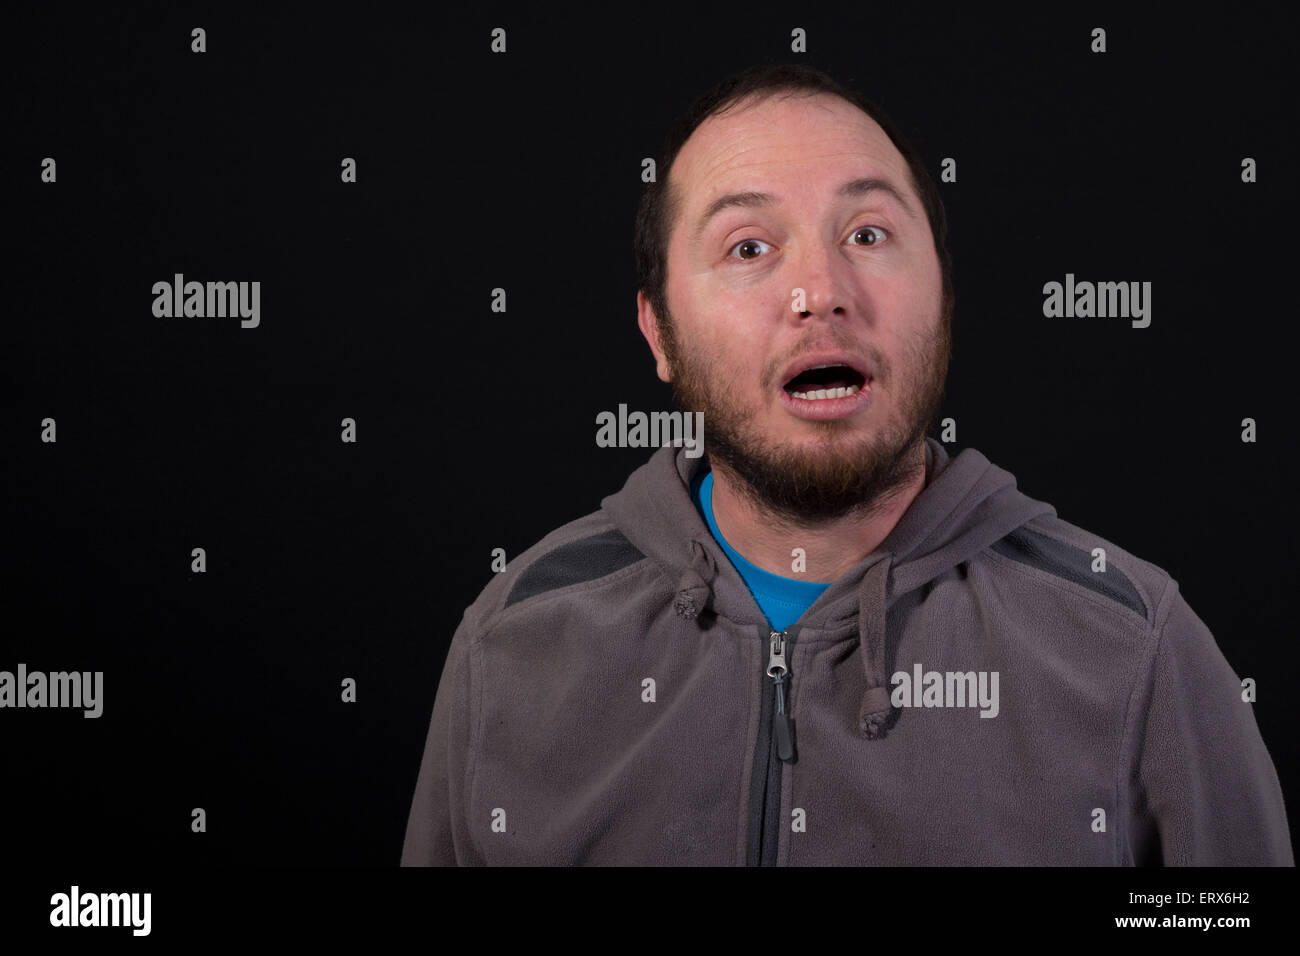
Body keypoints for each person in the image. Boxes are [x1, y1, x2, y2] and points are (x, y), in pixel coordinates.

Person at [400, 63, 1293, 866]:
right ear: (657, 331)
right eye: (749, 247)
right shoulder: (512, 644)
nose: (819, 291)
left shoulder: (1135, 647)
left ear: (942, 294)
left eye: (867, 235)